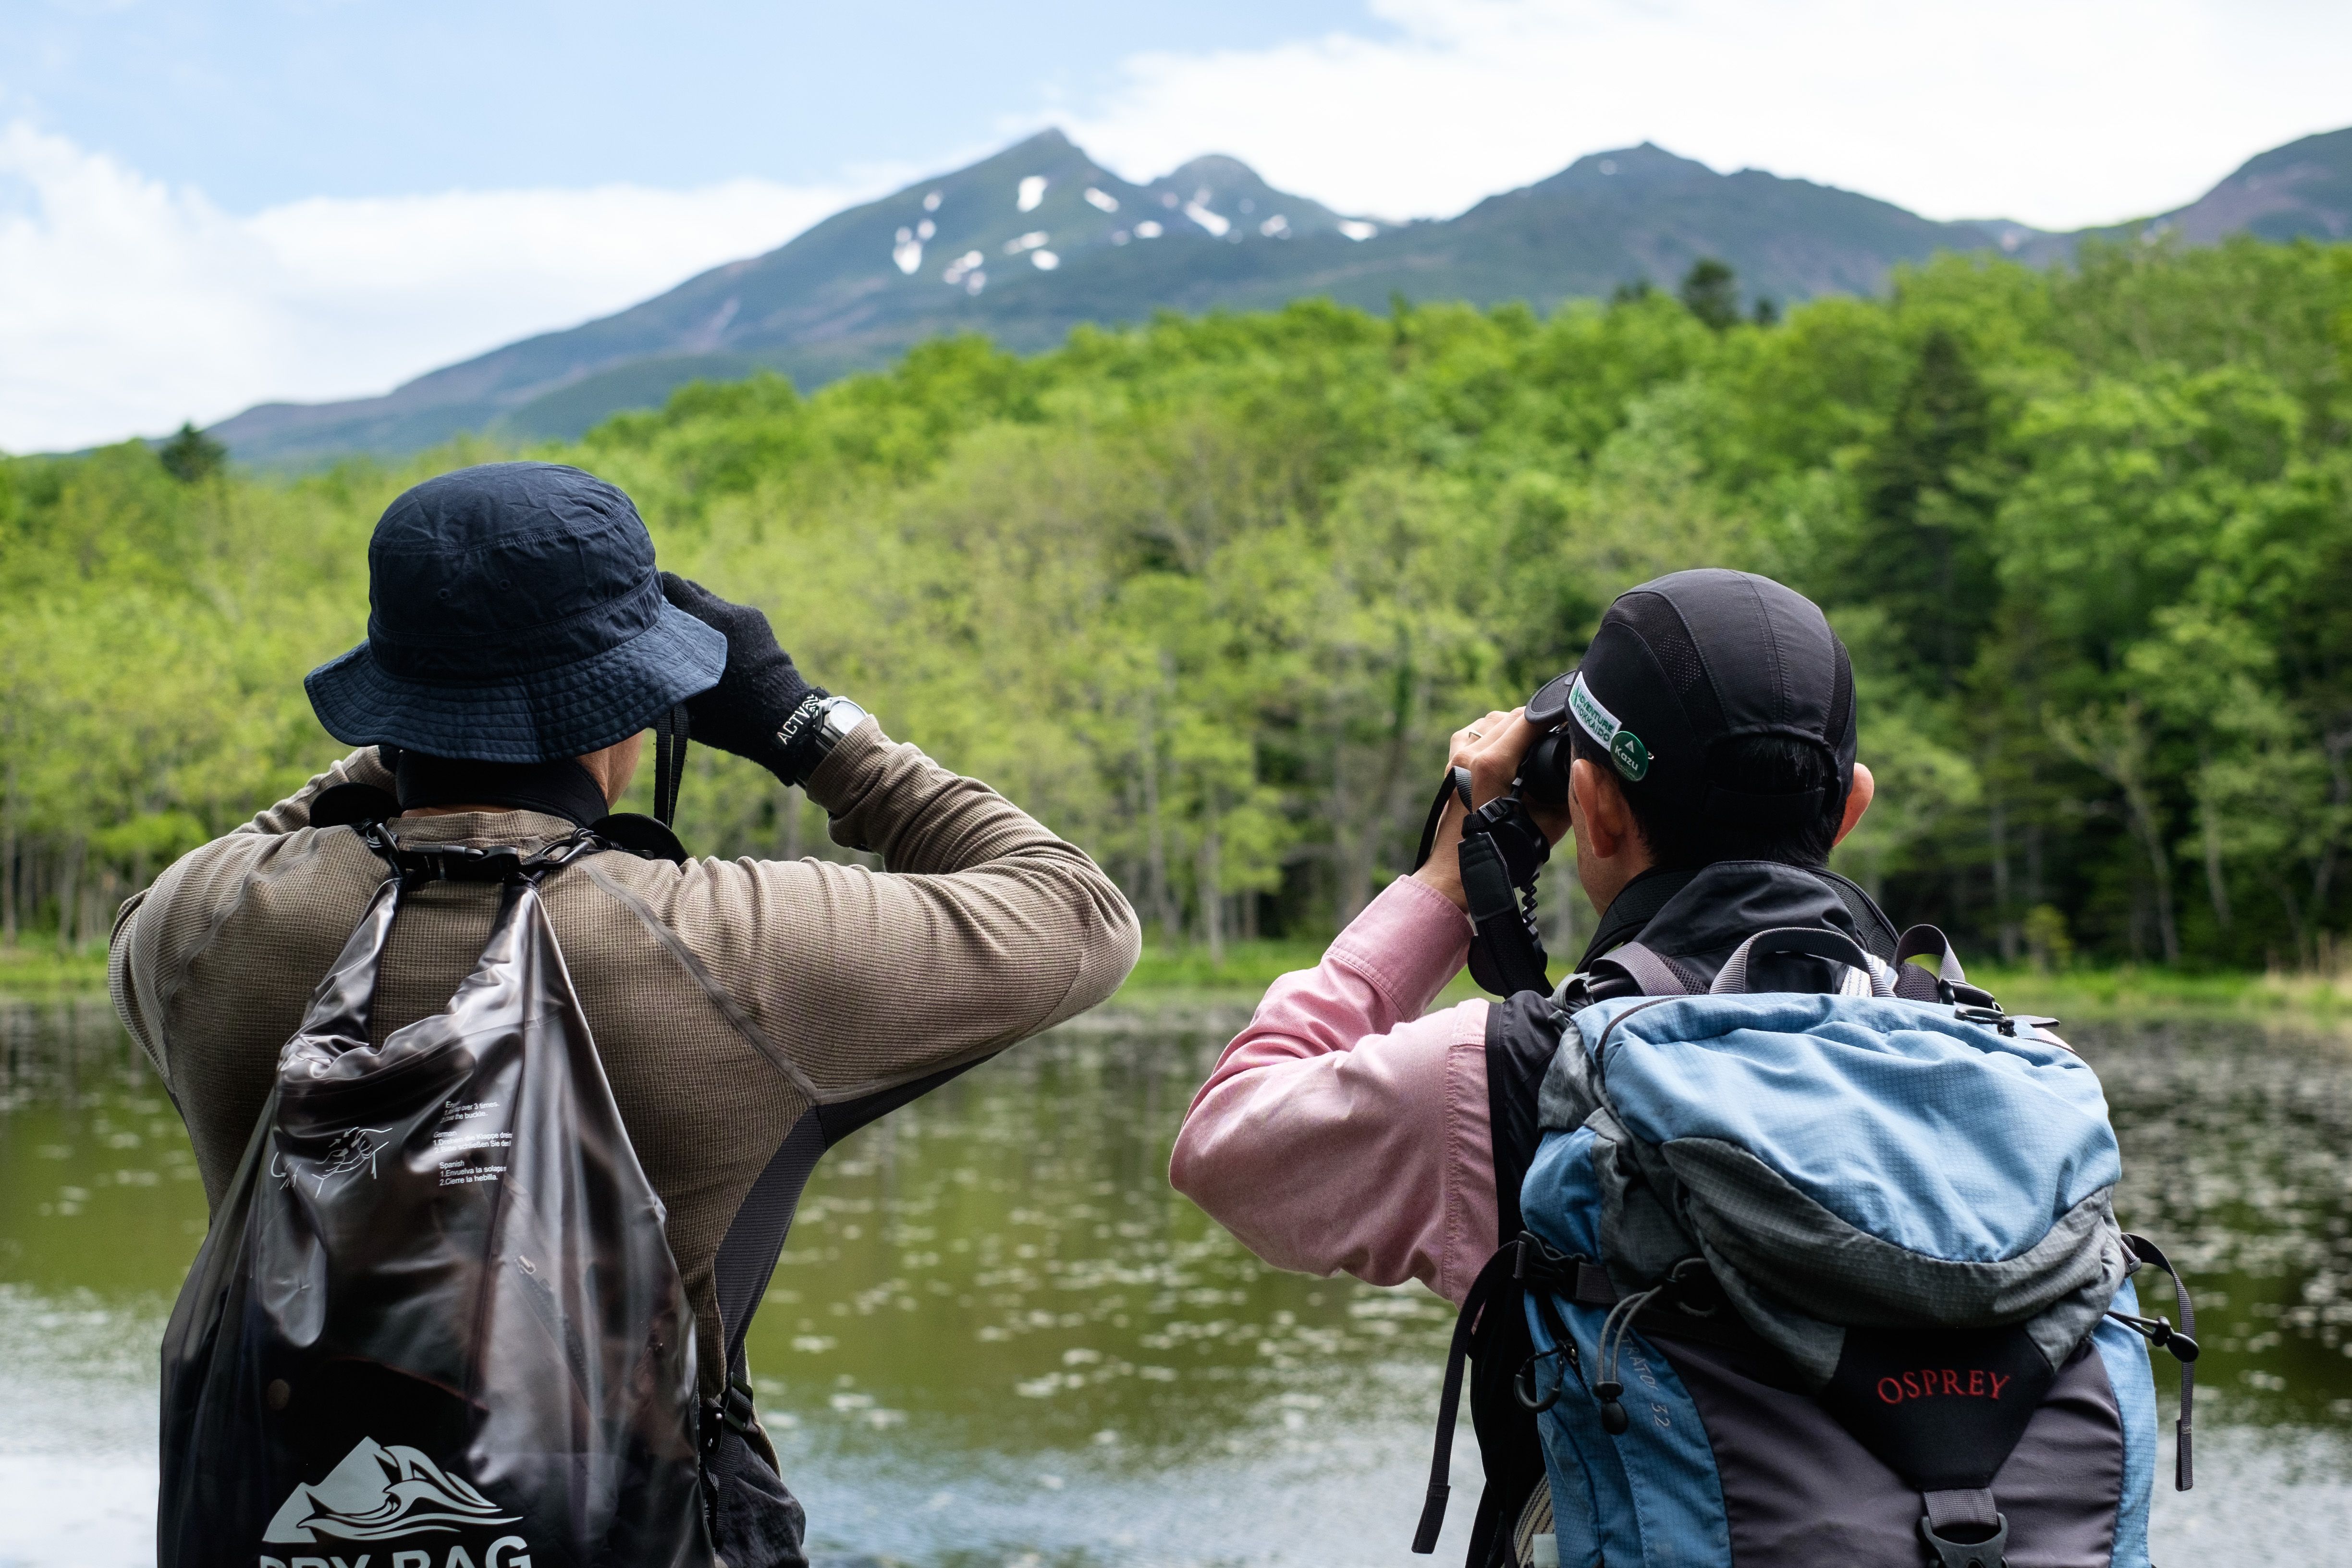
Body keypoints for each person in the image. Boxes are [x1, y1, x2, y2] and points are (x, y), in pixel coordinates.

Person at [110, 461, 1140, 1567]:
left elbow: (218, 871)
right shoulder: (725, 948)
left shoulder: (202, 928)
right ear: (634, 713)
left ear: (388, 694)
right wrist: (807, 724)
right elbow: (1079, 910)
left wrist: (401, 739)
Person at [1169, 567, 1892, 1564]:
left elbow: (1224, 1143)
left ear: (1590, 807)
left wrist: (1443, 882)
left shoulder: (1517, 1073)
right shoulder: (2014, 1064)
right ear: (1849, 809)